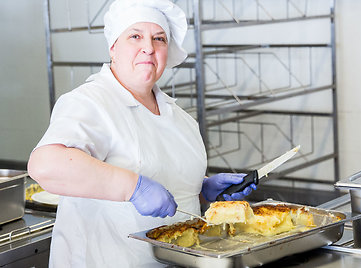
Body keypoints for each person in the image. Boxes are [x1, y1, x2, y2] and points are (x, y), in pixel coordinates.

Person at [27, 0, 256, 266]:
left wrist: (202, 189)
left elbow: (159, 171)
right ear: (113, 47)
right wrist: (132, 188)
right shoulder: (90, 101)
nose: (149, 47)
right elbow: (46, 165)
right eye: (135, 36)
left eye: (159, 39)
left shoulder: (177, 115)